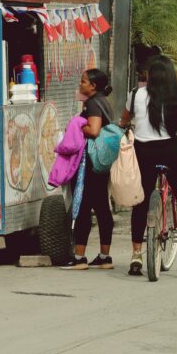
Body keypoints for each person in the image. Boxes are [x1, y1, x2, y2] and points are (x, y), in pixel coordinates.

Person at [119, 55, 177, 280]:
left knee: (141, 201)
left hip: (143, 153)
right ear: (169, 76)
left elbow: (123, 120)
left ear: (149, 76)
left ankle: (137, 254)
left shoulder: (135, 95)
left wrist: (126, 126)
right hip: (170, 151)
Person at [62, 68, 115, 270]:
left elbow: (93, 130)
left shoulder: (93, 103)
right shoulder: (104, 101)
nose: (80, 84)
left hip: (89, 163)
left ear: (93, 86)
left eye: (83, 81)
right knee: (102, 207)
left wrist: (76, 125)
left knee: (83, 207)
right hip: (101, 162)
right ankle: (104, 256)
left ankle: (79, 257)